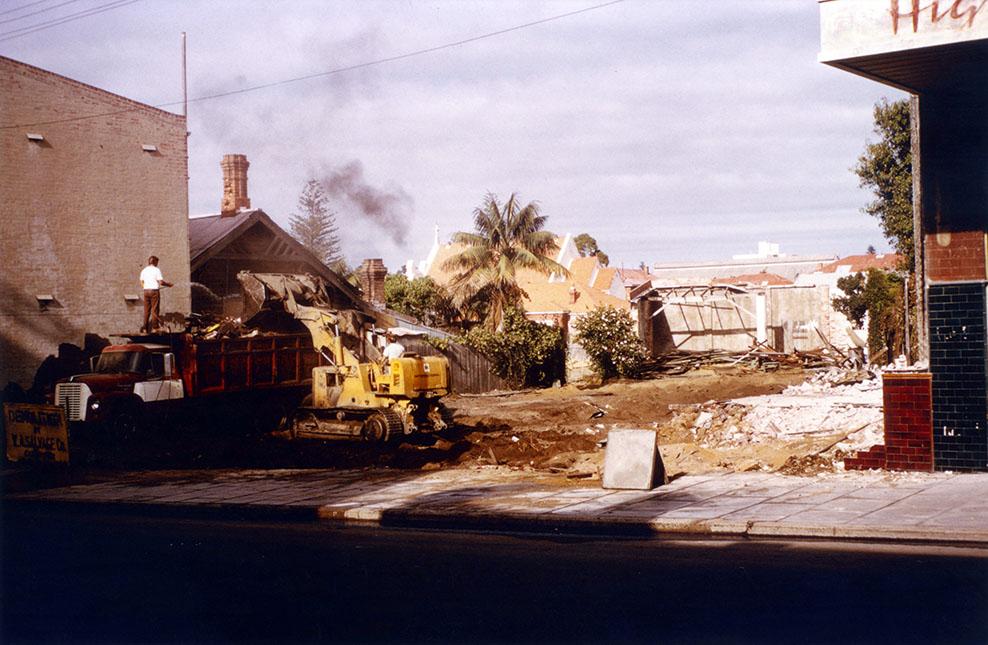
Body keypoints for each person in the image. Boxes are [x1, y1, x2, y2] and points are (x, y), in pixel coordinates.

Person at [139, 255, 173, 333]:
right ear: (155, 262)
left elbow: (141, 281)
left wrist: (146, 287)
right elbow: (161, 282)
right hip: (154, 292)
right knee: (155, 309)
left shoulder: (144, 270)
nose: (157, 264)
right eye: (157, 262)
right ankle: (155, 327)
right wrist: (169, 285)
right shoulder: (156, 270)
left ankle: (145, 328)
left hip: (146, 291)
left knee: (147, 310)